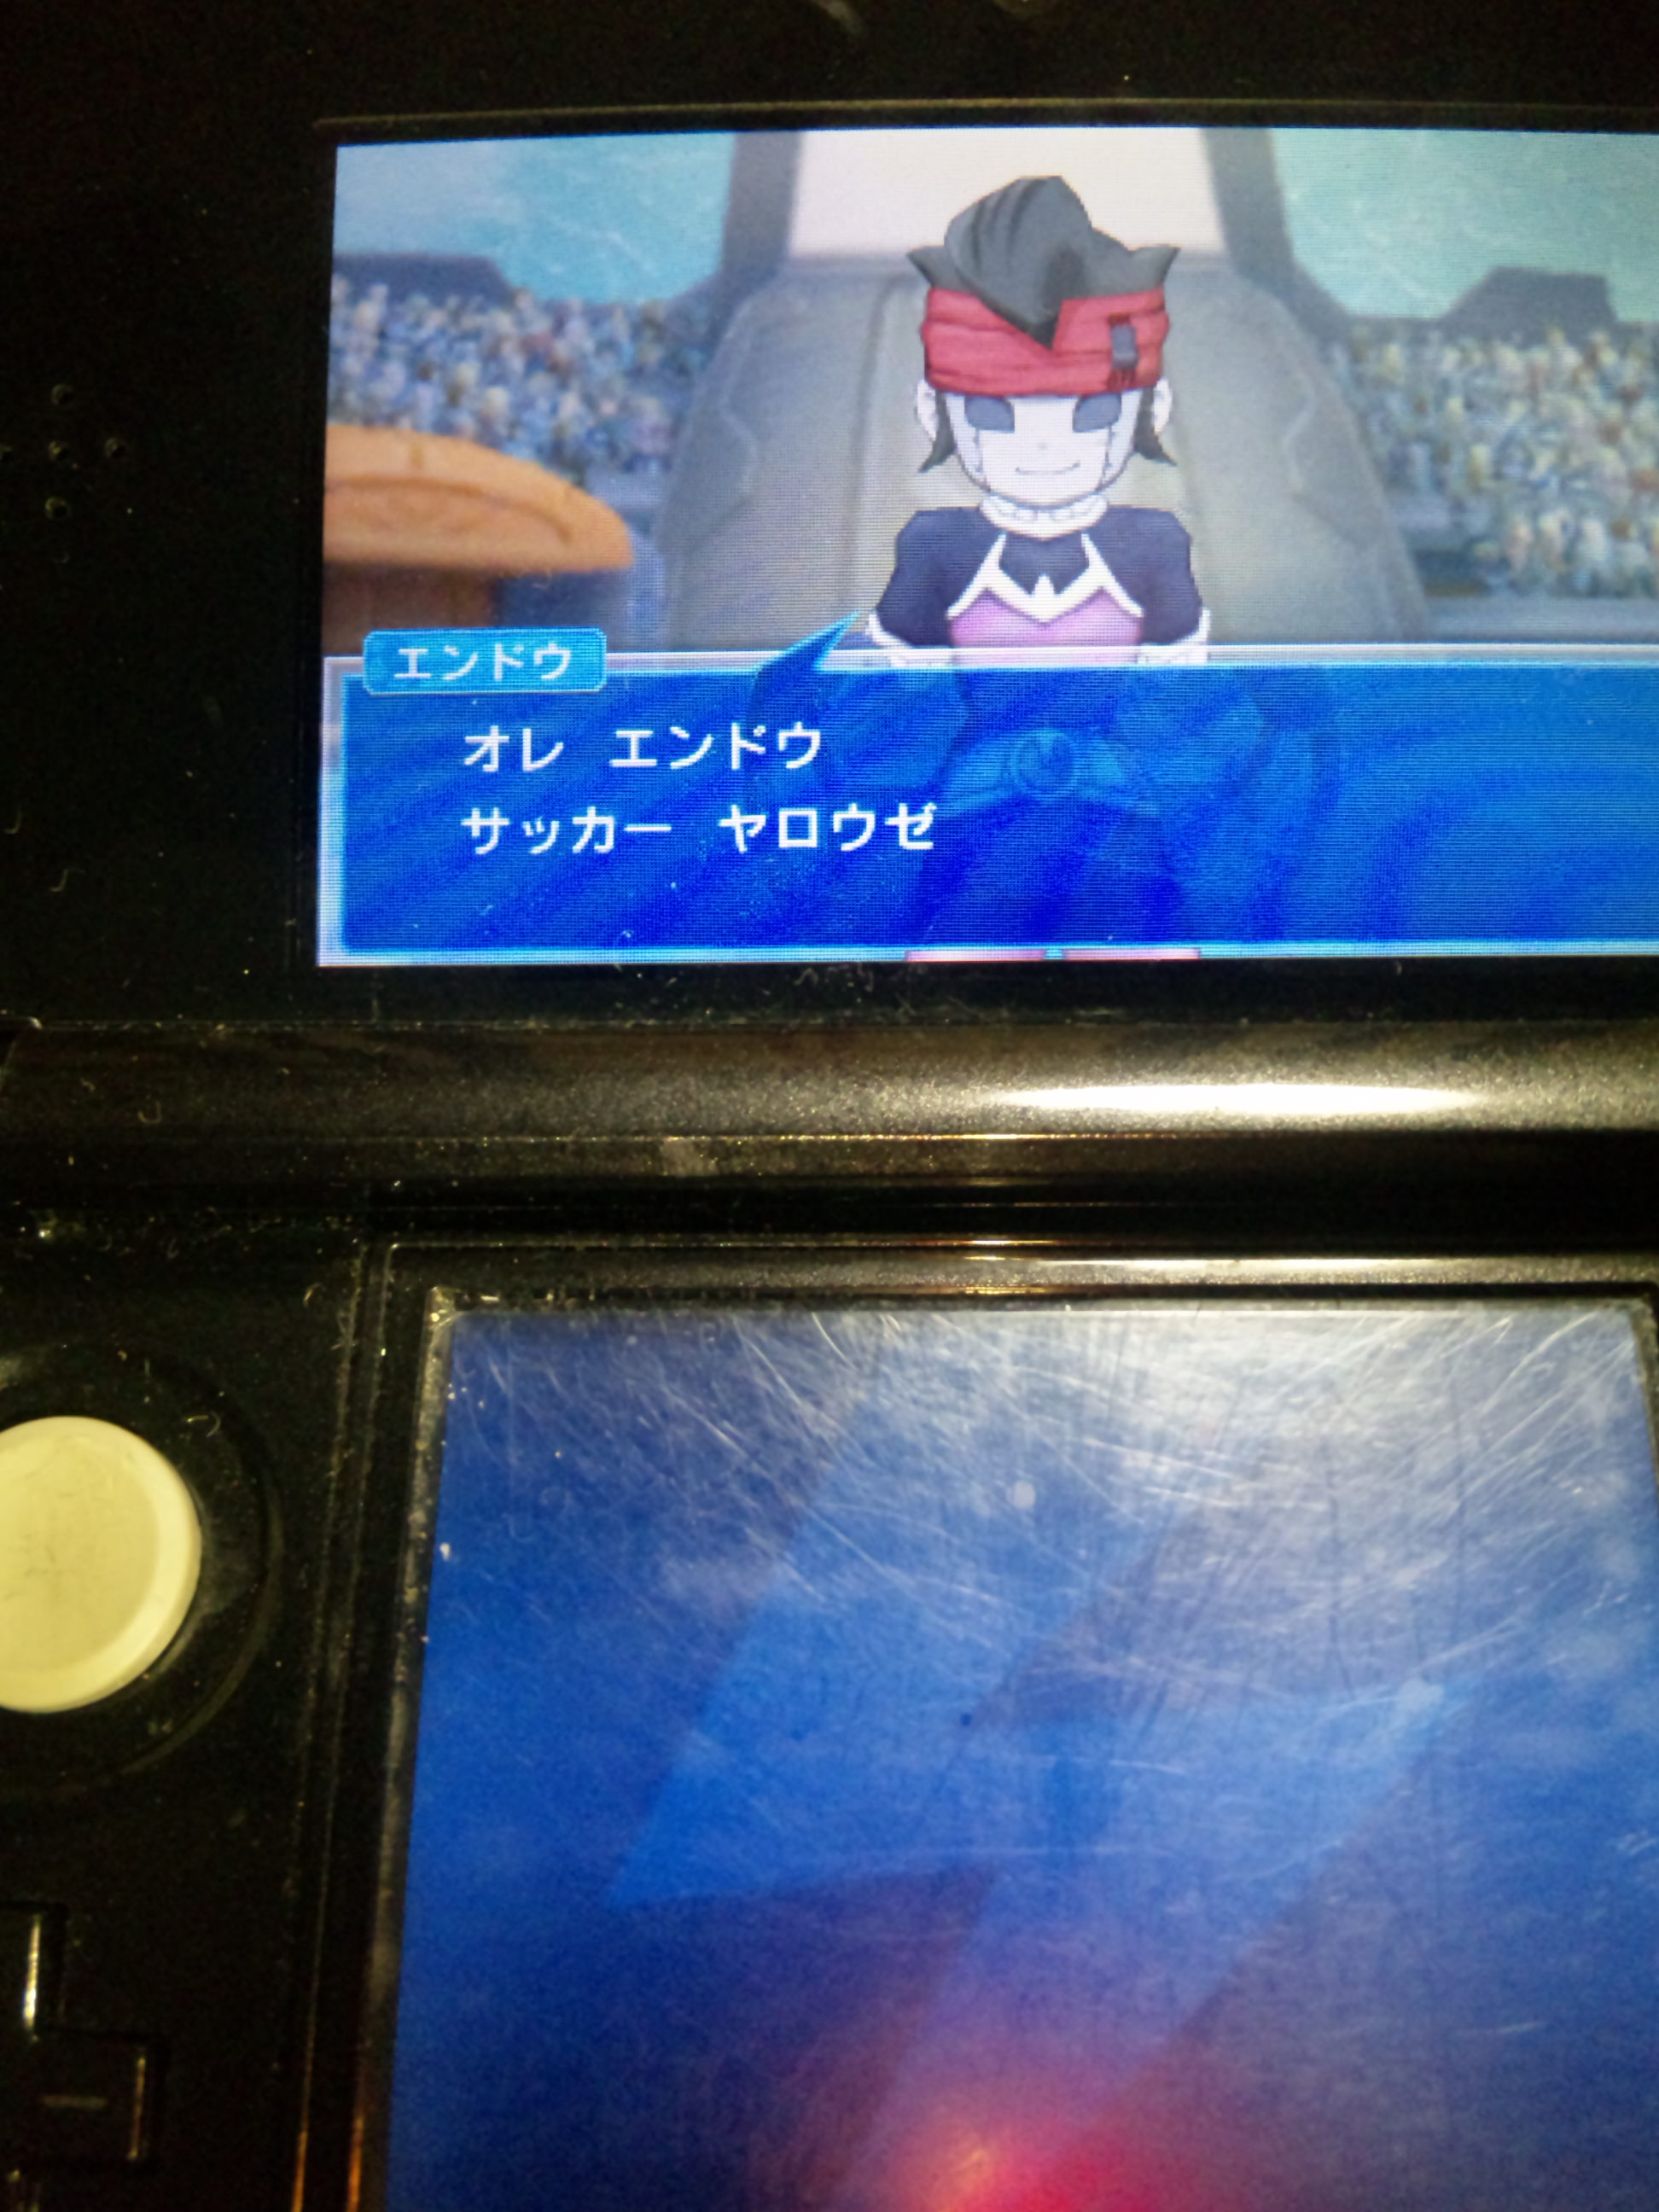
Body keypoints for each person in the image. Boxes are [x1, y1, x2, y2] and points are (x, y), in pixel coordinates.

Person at [870, 176, 1207, 660]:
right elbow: (901, 686)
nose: (1044, 445)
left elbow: (1181, 686)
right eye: (993, 414)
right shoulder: (933, 546)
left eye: (1094, 412)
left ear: (1154, 411)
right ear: (933, 412)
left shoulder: (1155, 544)